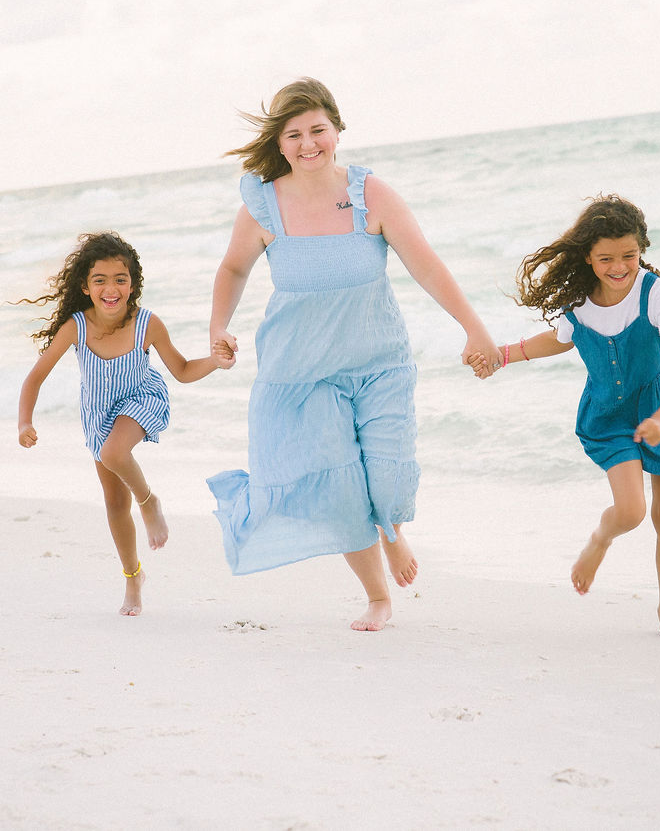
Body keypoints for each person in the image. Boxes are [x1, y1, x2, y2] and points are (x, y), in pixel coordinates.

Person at [207, 77, 500, 631]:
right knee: (340, 492)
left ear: (338, 131)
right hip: (301, 374)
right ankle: (378, 596)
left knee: (386, 483)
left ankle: (390, 526)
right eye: (293, 134)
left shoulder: (372, 194)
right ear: (279, 142)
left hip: (377, 365)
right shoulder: (264, 204)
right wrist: (219, 325)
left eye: (318, 129)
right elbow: (233, 268)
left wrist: (474, 329)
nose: (307, 143)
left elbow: (426, 265)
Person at [487, 195, 660, 640]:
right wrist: (503, 355)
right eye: (606, 258)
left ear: (642, 249)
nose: (619, 267)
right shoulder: (579, 301)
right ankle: (599, 540)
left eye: (629, 255)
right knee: (631, 511)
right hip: (609, 416)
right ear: (588, 257)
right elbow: (558, 340)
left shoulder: (656, 293)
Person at [17, 231, 231, 616]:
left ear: (133, 284)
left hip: (141, 398)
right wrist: (24, 423)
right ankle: (133, 576)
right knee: (115, 502)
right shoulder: (76, 327)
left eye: (121, 279)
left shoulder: (147, 323)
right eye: (100, 280)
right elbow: (34, 378)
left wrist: (215, 360)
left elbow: (181, 370)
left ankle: (149, 502)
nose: (111, 288)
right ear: (85, 286)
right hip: (98, 413)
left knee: (116, 452)